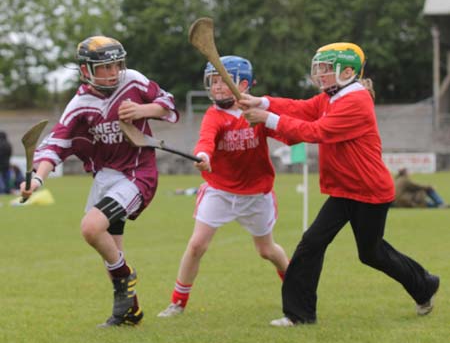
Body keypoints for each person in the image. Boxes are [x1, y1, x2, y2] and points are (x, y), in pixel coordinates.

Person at [240, 42, 440, 326]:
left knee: (372, 253)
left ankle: (424, 285)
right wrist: (262, 102)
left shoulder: (355, 101)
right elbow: (301, 108)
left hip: (370, 191)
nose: (319, 74)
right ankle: (299, 315)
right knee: (312, 243)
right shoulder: (330, 97)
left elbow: (316, 131)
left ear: (347, 72)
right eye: (318, 68)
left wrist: (267, 118)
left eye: (325, 69)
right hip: (345, 190)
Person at [20, 36, 179, 327]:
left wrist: (143, 110)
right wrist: (37, 180)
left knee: (91, 228)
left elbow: (167, 103)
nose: (113, 72)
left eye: (116, 64)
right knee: (110, 248)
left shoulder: (132, 81)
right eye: (104, 67)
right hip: (106, 177)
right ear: (86, 71)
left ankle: (124, 277)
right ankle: (130, 312)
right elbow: (55, 144)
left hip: (137, 173)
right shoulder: (80, 104)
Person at [157, 56, 293, 318]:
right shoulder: (214, 115)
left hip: (256, 193)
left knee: (266, 251)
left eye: (222, 81)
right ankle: (177, 302)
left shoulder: (255, 112)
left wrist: (304, 131)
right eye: (213, 81)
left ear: (242, 84)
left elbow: (286, 132)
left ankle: (297, 288)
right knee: (197, 245)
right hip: (219, 190)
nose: (217, 87)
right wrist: (204, 157)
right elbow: (206, 140)